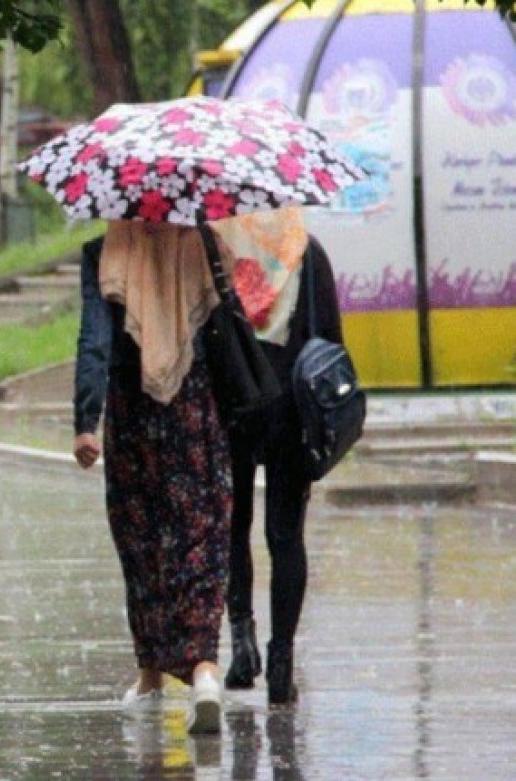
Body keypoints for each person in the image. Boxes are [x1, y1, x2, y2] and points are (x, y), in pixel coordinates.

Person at [72, 220, 232, 735]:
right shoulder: (204, 244)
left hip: (132, 415)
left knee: (142, 543)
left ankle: (151, 679)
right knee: (200, 538)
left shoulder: (104, 252)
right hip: (195, 410)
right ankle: (205, 672)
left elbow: (94, 340)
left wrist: (85, 420)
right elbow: (227, 328)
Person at [213, 210, 344, 706]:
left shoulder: (217, 250)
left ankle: (242, 644)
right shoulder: (307, 251)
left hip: (231, 404)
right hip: (291, 409)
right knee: (286, 535)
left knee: (233, 529)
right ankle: (282, 660)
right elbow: (330, 342)